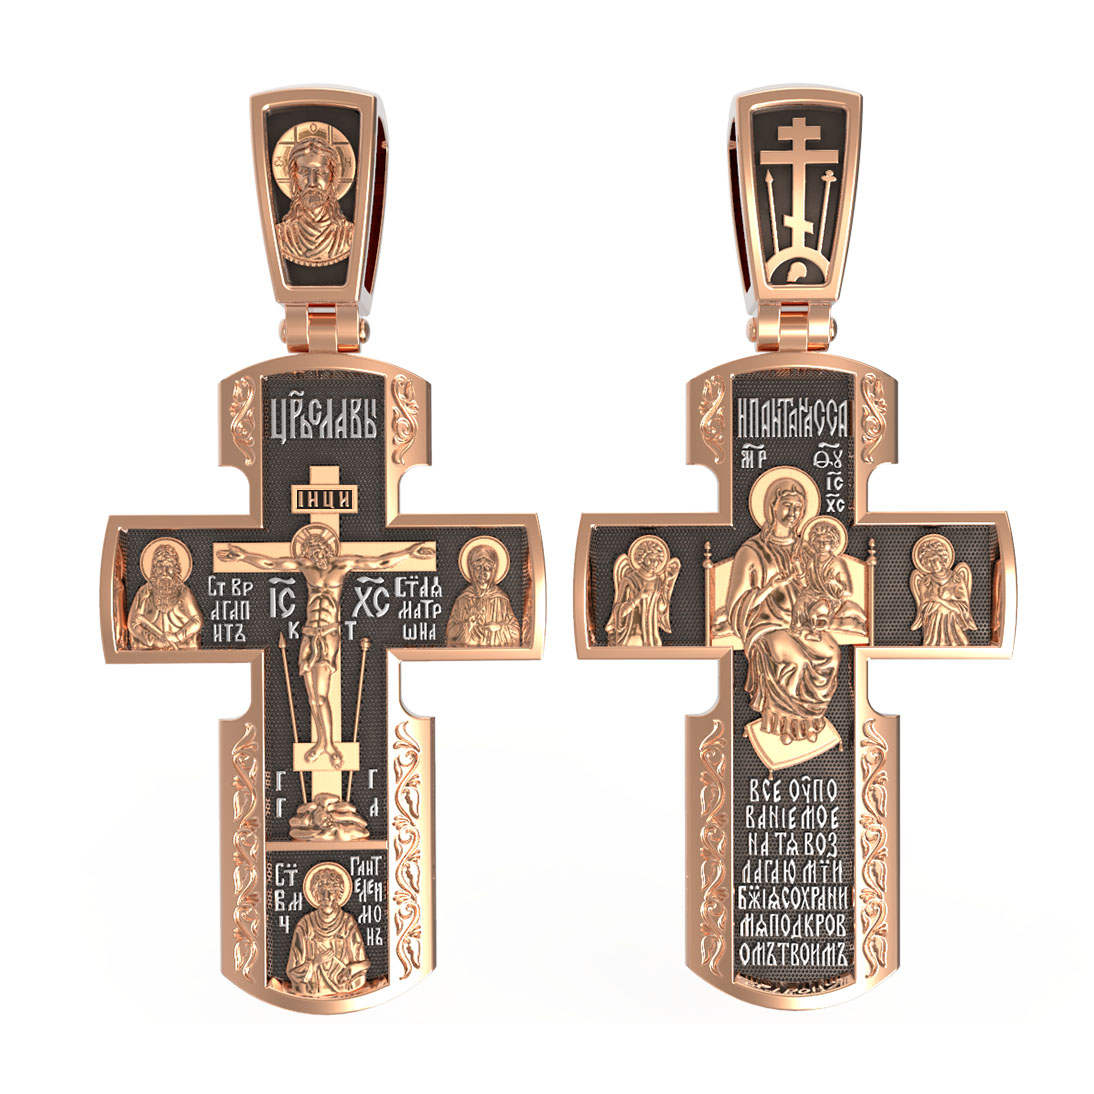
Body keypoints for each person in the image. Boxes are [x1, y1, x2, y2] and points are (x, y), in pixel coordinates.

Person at [218, 527, 434, 767]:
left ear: (327, 548)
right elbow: (271, 564)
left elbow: (380, 562)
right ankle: (322, 743)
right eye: (310, 550)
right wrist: (243, 556)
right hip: (309, 633)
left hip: (328, 634)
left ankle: (329, 744)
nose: (315, 554)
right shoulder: (305, 566)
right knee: (312, 697)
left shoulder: (343, 565)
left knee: (321, 694)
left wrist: (409, 552)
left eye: (318, 549)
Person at [285, 865, 369, 997]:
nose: (326, 896)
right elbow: (292, 971)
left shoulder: (347, 922)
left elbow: (365, 963)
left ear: (338, 894)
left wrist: (350, 969)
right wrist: (315, 963)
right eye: (322, 891)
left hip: (344, 985)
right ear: (315, 893)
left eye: (331, 891)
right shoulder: (305, 924)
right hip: (313, 988)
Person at [275, 135, 354, 266]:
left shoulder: (347, 235)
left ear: (333, 176)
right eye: (304, 171)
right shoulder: (283, 235)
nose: (312, 182)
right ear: (294, 177)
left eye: (321, 171)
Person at [605, 534, 681, 647]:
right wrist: (637, 598)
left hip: (652, 639)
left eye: (657, 560)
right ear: (642, 558)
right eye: (650, 559)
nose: (654, 563)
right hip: (631, 637)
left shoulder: (658, 581)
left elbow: (661, 608)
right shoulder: (629, 580)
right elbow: (619, 611)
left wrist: (666, 581)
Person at [129, 541, 202, 649]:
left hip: (182, 648)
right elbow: (133, 623)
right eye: (160, 566)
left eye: (169, 566)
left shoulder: (183, 592)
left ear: (176, 569)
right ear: (154, 570)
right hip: (148, 650)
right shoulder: (145, 592)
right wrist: (153, 642)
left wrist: (177, 637)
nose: (164, 571)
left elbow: (197, 620)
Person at [446, 543, 520, 648]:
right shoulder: (463, 600)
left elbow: (515, 632)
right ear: (471, 570)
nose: (482, 573)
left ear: (494, 570)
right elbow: (450, 633)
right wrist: (467, 625)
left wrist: (499, 627)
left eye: (487, 568)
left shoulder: (501, 599)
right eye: (477, 568)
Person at [910, 534, 976, 646]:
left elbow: (963, 608)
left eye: (935, 559)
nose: (932, 564)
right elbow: (925, 610)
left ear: (942, 558)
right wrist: (943, 599)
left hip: (954, 624)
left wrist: (938, 599)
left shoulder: (956, 578)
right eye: (927, 561)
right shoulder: (926, 582)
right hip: (934, 626)